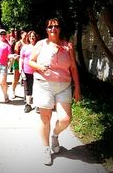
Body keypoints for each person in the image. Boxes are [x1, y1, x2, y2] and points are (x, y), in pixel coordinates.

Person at [29, 18, 81, 165]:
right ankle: (46, 149)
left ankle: (55, 135)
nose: (53, 29)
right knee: (45, 119)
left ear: (60, 29)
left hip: (63, 86)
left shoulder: (67, 46)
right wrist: (40, 67)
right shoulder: (40, 44)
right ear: (46, 29)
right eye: (50, 27)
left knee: (65, 119)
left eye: (56, 26)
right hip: (43, 86)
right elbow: (30, 61)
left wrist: (77, 87)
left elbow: (73, 68)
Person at [19, 31, 38, 113]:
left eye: (33, 36)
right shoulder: (25, 47)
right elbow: (21, 58)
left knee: (37, 88)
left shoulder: (39, 47)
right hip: (26, 71)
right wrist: (20, 68)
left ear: (36, 37)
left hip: (37, 71)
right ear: (28, 38)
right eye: (30, 36)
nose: (32, 38)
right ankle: (28, 105)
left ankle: (38, 105)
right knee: (27, 88)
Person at [11, 30, 27, 99]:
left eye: (27, 35)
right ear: (21, 35)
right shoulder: (18, 43)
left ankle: (26, 95)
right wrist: (21, 62)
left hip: (26, 64)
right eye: (25, 35)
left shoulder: (28, 43)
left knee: (26, 80)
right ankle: (13, 92)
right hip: (18, 63)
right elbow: (16, 54)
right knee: (16, 79)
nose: (26, 36)